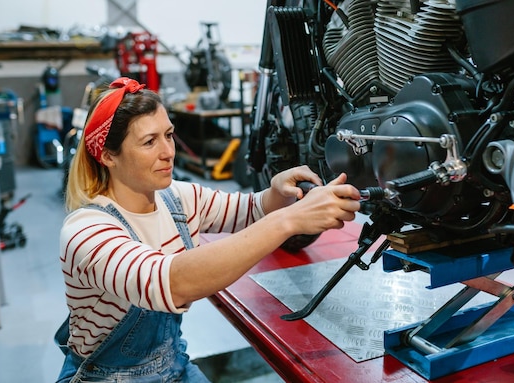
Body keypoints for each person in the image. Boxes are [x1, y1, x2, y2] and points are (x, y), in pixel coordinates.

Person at [54, 77, 361, 382]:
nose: (168, 152)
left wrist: (277, 195)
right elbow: (173, 282)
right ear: (108, 156)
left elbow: (248, 210)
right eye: (149, 142)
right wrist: (289, 219)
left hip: (173, 364)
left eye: (169, 135)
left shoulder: (175, 198)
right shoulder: (87, 231)